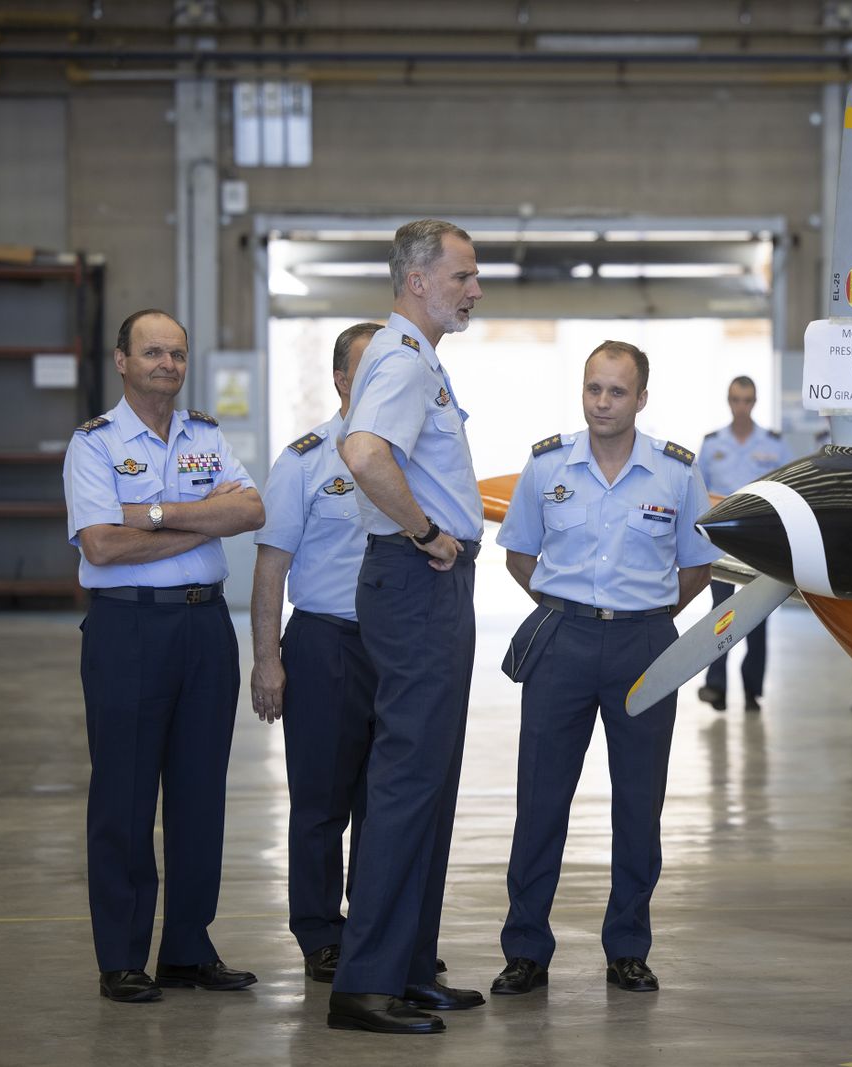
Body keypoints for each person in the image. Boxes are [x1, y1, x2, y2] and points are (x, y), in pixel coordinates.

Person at [491, 340, 719, 997]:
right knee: (540, 799)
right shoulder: (547, 465)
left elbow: (698, 566)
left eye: (617, 391)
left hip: (644, 645)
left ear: (641, 398)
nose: (602, 402)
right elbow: (519, 555)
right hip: (561, 641)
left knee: (639, 802)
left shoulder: (676, 472)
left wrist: (646, 614)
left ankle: (627, 947)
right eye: (593, 388)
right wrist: (570, 609)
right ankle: (525, 949)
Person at [63, 309, 265, 1004]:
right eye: (152, 352)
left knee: (199, 793)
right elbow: (101, 546)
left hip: (206, 627)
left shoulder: (205, 435)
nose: (167, 365)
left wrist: (152, 514)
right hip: (128, 628)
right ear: (122, 360)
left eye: (176, 354)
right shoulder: (93, 445)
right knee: (123, 796)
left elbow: (250, 511)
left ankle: (187, 948)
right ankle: (122, 957)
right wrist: (204, 519)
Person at [326, 219, 487, 1035]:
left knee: (431, 777)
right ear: (417, 280)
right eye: (463, 275)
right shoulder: (397, 358)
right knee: (405, 778)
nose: (475, 289)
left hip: (432, 584)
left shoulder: (421, 360)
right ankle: (366, 983)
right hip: (417, 578)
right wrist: (425, 531)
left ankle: (411, 967)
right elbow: (363, 453)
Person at [249, 322, 379, 984]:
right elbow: (271, 566)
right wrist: (267, 659)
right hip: (326, 643)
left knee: (388, 804)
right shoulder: (304, 461)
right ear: (341, 380)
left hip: (399, 648)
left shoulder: (417, 454)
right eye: (369, 368)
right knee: (321, 803)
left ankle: (382, 933)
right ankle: (321, 933)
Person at [695, 375, 790, 712]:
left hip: (759, 543)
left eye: (747, 400)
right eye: (736, 400)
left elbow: (787, 490)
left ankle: (752, 690)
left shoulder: (774, 444)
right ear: (728, 401)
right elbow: (699, 492)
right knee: (720, 614)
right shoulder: (712, 444)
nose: (741, 407)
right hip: (721, 543)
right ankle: (716, 685)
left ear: (755, 402)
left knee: (756, 617)